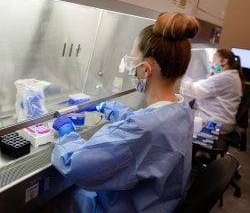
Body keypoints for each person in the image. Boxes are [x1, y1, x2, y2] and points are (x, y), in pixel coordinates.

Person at [51, 11, 199, 213]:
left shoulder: (143, 130)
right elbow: (146, 125)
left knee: (65, 196)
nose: (130, 68)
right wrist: (105, 106)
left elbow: (77, 166)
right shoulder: (180, 109)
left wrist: (67, 134)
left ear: (146, 70)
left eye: (132, 61)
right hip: (160, 204)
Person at [180, 48, 245, 134]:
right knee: (183, 115)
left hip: (217, 124)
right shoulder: (231, 76)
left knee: (178, 120)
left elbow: (196, 91)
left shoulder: (226, 77)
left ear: (223, 61)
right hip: (220, 120)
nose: (212, 64)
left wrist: (180, 82)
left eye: (214, 60)